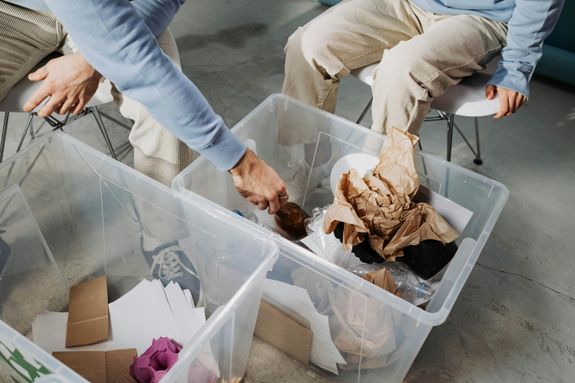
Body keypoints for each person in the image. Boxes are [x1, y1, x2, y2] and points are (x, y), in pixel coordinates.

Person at [0, 0, 287, 214]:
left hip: (115, 11)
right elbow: (134, 60)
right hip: (16, 14)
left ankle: (164, 240)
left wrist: (92, 60)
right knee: (157, 82)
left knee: (162, 108)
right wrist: (241, 163)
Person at [283, 0, 565, 136]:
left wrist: (516, 68)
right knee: (307, 44)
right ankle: (303, 168)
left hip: (479, 18)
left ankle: (376, 196)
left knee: (401, 71)